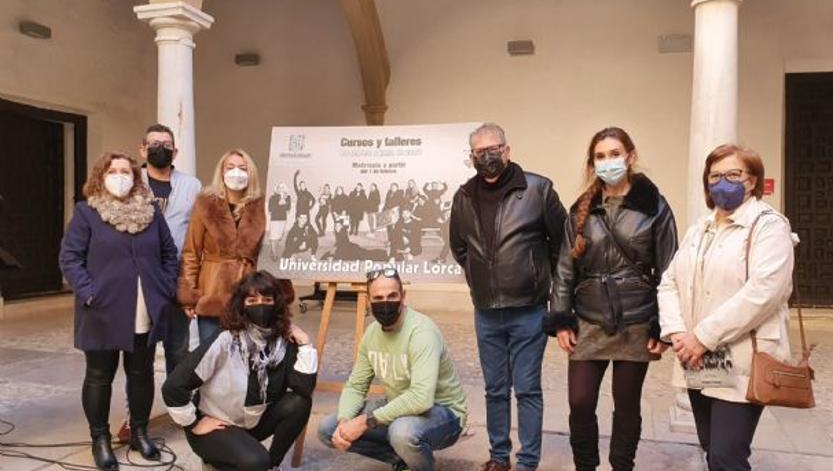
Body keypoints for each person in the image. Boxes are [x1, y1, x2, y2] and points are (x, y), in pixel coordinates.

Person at [544, 127, 678, 471]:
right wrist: (561, 318)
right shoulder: (581, 210)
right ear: (593, 163)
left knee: (627, 404)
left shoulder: (655, 208)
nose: (608, 161)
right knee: (580, 401)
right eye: (600, 156)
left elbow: (670, 268)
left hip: (635, 318)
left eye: (614, 154)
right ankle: (585, 466)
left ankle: (622, 466)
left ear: (630, 157)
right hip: (589, 317)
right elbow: (564, 267)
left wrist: (663, 326)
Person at [658, 144, 795, 471]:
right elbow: (669, 282)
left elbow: (763, 292)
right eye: (715, 176)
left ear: (752, 180)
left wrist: (702, 336)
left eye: (733, 174)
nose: (723, 182)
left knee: (727, 454)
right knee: (712, 449)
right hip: (701, 355)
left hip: (742, 354)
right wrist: (677, 331)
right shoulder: (700, 229)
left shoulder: (769, 225)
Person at [450, 122, 566, 471]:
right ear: (471, 157)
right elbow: (459, 246)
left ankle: (528, 461)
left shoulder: (538, 189)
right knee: (494, 389)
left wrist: (555, 300)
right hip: (486, 311)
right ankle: (499, 457)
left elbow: (561, 246)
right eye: (480, 152)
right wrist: (477, 276)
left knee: (527, 388)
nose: (488, 157)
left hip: (528, 309)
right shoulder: (464, 196)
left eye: (494, 150)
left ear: (507, 150)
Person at [59, 152, 179, 471]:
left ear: (136, 177)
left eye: (126, 170)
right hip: (101, 310)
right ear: (101, 176)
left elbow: (169, 253)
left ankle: (139, 432)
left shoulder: (151, 212)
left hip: (144, 308)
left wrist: (165, 288)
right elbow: (70, 258)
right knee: (99, 376)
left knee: (140, 375)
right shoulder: (87, 213)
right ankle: (100, 438)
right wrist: (88, 293)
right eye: (113, 171)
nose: (120, 175)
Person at [163, 271, 317, 471]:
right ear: (241, 305)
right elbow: (174, 386)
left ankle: (272, 465)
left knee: (300, 403)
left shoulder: (284, 342)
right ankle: (220, 459)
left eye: (267, 299)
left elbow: (303, 389)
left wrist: (305, 343)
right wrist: (194, 424)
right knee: (255, 461)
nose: (260, 306)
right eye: (252, 300)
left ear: (277, 304)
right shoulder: (226, 340)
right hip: (217, 425)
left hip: (251, 423)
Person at [318, 268, 468, 471]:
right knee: (330, 429)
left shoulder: (422, 332)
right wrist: (346, 421)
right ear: (369, 302)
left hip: (444, 412)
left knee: (402, 432)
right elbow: (356, 385)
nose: (385, 303)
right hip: (398, 407)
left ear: (403, 296)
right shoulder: (371, 334)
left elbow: (421, 398)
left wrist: (364, 421)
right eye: (378, 297)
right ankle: (403, 461)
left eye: (392, 296)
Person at [178, 149, 265, 342]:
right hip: (212, 291)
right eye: (230, 167)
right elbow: (191, 252)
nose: (237, 172)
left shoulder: (261, 206)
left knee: (246, 357)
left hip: (250, 291)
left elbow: (270, 252)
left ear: (251, 173)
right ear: (222, 172)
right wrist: (189, 295)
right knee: (211, 355)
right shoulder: (205, 204)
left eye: (243, 168)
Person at [137, 123, 202, 374]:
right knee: (140, 351)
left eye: (166, 145)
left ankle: (179, 408)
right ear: (142, 150)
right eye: (154, 144)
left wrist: (192, 281)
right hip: (140, 278)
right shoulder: (131, 182)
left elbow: (197, 232)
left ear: (175, 152)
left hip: (177, 277)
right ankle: (137, 411)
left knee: (178, 348)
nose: (160, 149)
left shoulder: (192, 185)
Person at [267, 183, 292, 260]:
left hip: (283, 219)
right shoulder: (272, 197)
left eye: (283, 187)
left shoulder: (288, 197)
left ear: (285, 189)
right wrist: (279, 203)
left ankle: (272, 250)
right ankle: (274, 254)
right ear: (277, 189)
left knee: (279, 236)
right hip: (274, 219)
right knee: (274, 236)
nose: (281, 189)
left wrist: (283, 201)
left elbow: (288, 208)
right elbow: (270, 209)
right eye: (279, 187)